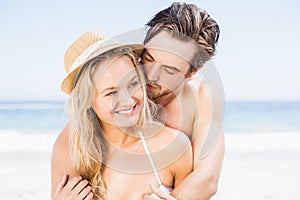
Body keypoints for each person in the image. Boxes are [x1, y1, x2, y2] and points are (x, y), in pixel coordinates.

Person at [51, 31, 192, 200]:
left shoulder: (175, 147)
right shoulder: (70, 150)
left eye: (132, 83)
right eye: (111, 93)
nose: (127, 100)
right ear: (87, 100)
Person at [141, 2, 225, 200]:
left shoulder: (202, 95)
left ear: (193, 71)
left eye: (169, 70)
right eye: (149, 57)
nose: (151, 75)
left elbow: (208, 178)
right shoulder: (120, 79)